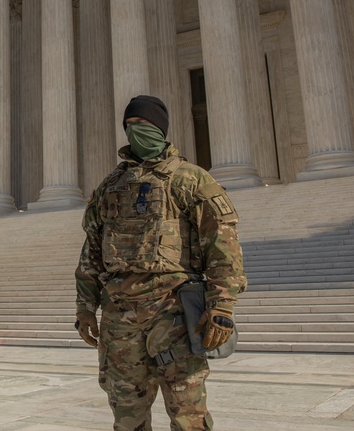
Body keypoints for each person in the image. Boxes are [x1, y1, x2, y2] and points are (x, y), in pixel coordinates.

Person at [74, 95, 246, 430]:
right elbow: (92, 252)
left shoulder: (190, 180)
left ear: (161, 130)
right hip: (119, 316)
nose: (136, 131)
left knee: (187, 412)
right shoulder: (111, 186)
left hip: (174, 312)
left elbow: (222, 246)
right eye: (130, 126)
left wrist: (222, 305)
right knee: (126, 413)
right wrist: (84, 307)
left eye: (144, 125)